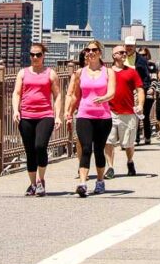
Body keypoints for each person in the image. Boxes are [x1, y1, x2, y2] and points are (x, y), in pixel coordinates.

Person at [11, 43, 63, 197]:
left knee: (40, 146)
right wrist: (15, 110)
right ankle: (33, 184)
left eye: (38, 54)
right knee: (30, 151)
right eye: (32, 54)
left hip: (45, 115)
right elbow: (17, 93)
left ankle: (41, 180)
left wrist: (57, 115)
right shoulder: (22, 73)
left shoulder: (50, 73)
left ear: (43, 56)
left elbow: (58, 95)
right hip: (26, 115)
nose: (35, 57)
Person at [66, 40, 115, 197]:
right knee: (86, 148)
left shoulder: (108, 72)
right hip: (84, 115)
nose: (91, 52)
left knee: (99, 150)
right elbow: (75, 96)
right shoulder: (80, 73)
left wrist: (104, 98)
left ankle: (100, 181)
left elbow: (112, 92)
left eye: (94, 50)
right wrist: (68, 112)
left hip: (103, 116)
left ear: (100, 52)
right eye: (88, 50)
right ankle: (82, 183)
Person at [105, 45, 145, 177]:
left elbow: (140, 89)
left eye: (124, 52)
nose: (124, 54)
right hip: (110, 111)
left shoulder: (132, 72)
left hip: (128, 112)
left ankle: (130, 161)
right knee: (109, 141)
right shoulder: (107, 72)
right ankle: (110, 167)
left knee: (128, 143)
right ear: (114, 56)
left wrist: (140, 104)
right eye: (120, 52)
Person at [123, 36, 154, 145]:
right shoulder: (121, 57)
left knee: (135, 114)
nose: (129, 48)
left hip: (136, 90)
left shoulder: (141, 60)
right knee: (124, 114)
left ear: (135, 46)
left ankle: (134, 138)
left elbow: (146, 77)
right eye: (127, 46)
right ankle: (126, 137)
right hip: (123, 90)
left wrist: (143, 89)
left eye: (131, 46)